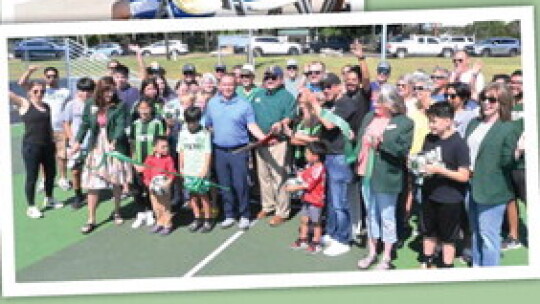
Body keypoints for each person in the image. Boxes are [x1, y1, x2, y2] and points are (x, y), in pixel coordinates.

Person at [356, 84, 413, 270]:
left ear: (391, 103)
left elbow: (402, 150)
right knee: (371, 215)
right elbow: (359, 141)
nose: (375, 103)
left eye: (379, 100)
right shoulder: (369, 117)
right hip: (366, 173)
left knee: (387, 217)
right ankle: (372, 251)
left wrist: (381, 143)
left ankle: (387, 257)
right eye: (375, 99)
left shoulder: (404, 122)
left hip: (387, 176)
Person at [465, 82, 518, 266]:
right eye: (483, 98)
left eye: (492, 100)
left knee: (488, 237)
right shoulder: (473, 123)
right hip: (469, 186)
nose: (486, 103)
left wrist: (517, 154)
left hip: (493, 189)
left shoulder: (508, 127)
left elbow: (507, 162)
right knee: (475, 234)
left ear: (502, 102)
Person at [70, 77, 132, 234]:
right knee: (93, 184)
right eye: (106, 90)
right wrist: (77, 142)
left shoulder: (120, 105)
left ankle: (117, 211)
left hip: (114, 145)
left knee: (116, 181)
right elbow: (85, 124)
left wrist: (115, 140)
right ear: (99, 90)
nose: (109, 94)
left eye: (112, 90)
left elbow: (120, 124)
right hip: (96, 146)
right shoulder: (91, 104)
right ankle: (91, 219)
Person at [204, 73, 266, 230]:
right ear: (219, 85)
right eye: (224, 84)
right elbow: (207, 125)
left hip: (239, 151)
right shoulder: (212, 103)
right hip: (219, 151)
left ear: (235, 85)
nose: (227, 88)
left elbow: (252, 126)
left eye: (230, 85)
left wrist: (264, 138)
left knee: (240, 184)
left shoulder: (244, 105)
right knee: (224, 185)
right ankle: (229, 214)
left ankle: (244, 215)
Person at [419, 102, 470, 268]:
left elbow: (464, 176)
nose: (431, 125)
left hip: (449, 199)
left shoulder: (459, 144)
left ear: (448, 121)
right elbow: (424, 160)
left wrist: (440, 170)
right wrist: (416, 165)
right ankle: (426, 263)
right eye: (430, 121)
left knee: (448, 238)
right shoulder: (429, 138)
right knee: (428, 233)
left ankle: (447, 267)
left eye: (434, 121)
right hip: (429, 194)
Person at [9, 83, 63, 219]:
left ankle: (49, 198)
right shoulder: (24, 104)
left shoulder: (46, 106)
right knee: (32, 177)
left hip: (48, 145)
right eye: (36, 91)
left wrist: (54, 141)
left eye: (42, 91)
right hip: (31, 147)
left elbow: (49, 126)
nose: (39, 94)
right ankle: (31, 206)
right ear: (30, 92)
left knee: (51, 173)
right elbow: (9, 94)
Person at [251, 66, 296, 227]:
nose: (269, 80)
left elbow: (289, 117)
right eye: (267, 77)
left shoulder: (287, 96)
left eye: (273, 77)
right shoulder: (258, 95)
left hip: (278, 143)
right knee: (264, 177)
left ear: (281, 79)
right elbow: (250, 118)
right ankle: (268, 206)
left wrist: (281, 124)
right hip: (260, 142)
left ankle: (282, 211)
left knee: (279, 177)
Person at [18, 65, 71, 192]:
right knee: (44, 157)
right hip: (44, 130)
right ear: (44, 77)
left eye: (54, 76)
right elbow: (22, 83)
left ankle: (63, 178)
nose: (51, 78)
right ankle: (44, 180)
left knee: (62, 156)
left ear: (58, 77)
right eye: (48, 76)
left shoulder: (65, 92)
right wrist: (30, 70)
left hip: (60, 129)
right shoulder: (40, 90)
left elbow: (69, 110)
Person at [287, 141, 327, 254]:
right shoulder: (309, 166)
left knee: (316, 223)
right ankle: (303, 239)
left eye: (308, 153)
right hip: (307, 199)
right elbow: (303, 175)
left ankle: (316, 242)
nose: (306, 155)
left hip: (316, 201)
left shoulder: (319, 169)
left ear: (316, 156)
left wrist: (294, 187)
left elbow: (309, 184)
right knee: (304, 219)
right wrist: (299, 176)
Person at [130, 100, 164, 229]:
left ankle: (150, 212)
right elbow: (132, 145)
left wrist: (151, 164)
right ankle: (140, 213)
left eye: (146, 108)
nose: (144, 111)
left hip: (152, 165)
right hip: (138, 164)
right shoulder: (135, 125)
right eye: (141, 108)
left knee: (150, 189)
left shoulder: (157, 124)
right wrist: (135, 163)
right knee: (137, 190)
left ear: (151, 109)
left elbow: (160, 145)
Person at [63, 77, 96, 209]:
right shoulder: (71, 105)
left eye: (89, 91)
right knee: (76, 171)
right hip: (76, 145)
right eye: (82, 90)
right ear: (78, 91)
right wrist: (72, 140)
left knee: (91, 171)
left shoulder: (96, 105)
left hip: (92, 144)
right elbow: (66, 123)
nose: (85, 94)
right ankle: (78, 195)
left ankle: (92, 194)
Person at [178, 107, 213, 233]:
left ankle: (208, 219)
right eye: (189, 122)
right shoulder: (182, 133)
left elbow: (207, 152)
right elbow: (181, 151)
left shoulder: (204, 133)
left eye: (194, 121)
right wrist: (181, 167)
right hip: (188, 170)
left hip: (200, 171)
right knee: (192, 196)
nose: (191, 124)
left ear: (199, 120)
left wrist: (205, 169)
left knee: (203, 195)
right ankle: (197, 218)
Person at [503, 69, 525, 251]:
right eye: (512, 82)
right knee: (510, 200)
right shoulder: (507, 106)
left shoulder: (530, 106)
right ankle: (513, 236)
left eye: (519, 82)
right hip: (508, 163)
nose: (514, 85)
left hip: (524, 165)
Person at [136, 136, 176, 235]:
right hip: (153, 188)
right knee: (156, 206)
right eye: (163, 147)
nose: (166, 149)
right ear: (155, 148)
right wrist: (149, 183)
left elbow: (172, 173)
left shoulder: (168, 159)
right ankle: (159, 222)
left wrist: (167, 184)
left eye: (167, 147)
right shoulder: (150, 159)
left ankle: (167, 224)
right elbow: (146, 172)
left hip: (164, 189)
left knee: (165, 206)